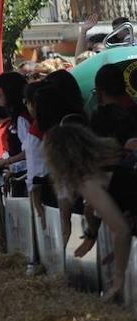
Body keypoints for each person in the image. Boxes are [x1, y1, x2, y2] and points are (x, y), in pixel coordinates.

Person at [42, 123, 135, 302]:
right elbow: (99, 210)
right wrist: (92, 235)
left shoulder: (88, 180)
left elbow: (121, 230)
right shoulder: (112, 158)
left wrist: (118, 280)